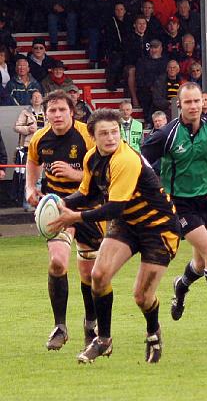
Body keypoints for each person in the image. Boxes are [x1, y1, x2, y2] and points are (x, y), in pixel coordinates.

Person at [50, 108, 179, 364]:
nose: (110, 138)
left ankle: (153, 331)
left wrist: (73, 217)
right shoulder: (91, 158)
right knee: (98, 275)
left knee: (142, 297)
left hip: (158, 228)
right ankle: (103, 340)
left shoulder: (126, 159)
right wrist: (60, 203)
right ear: (93, 137)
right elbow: (87, 194)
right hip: (127, 224)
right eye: (104, 133)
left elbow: (113, 208)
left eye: (114, 132)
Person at [141, 82, 207, 339]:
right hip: (179, 204)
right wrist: (155, 190)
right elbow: (139, 160)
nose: (193, 106)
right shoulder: (167, 134)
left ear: (203, 102)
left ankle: (182, 285)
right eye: (188, 102)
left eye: (197, 101)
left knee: (201, 262)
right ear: (179, 104)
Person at [25, 90, 101, 351]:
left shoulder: (87, 136)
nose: (57, 115)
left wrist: (74, 173)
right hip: (56, 205)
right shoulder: (39, 138)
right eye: (52, 111)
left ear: (72, 111)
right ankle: (60, 326)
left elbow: (102, 175)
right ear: (45, 114)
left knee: (89, 274)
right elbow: (32, 162)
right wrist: (30, 188)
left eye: (61, 110)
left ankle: (91, 323)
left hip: (89, 207)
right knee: (58, 263)